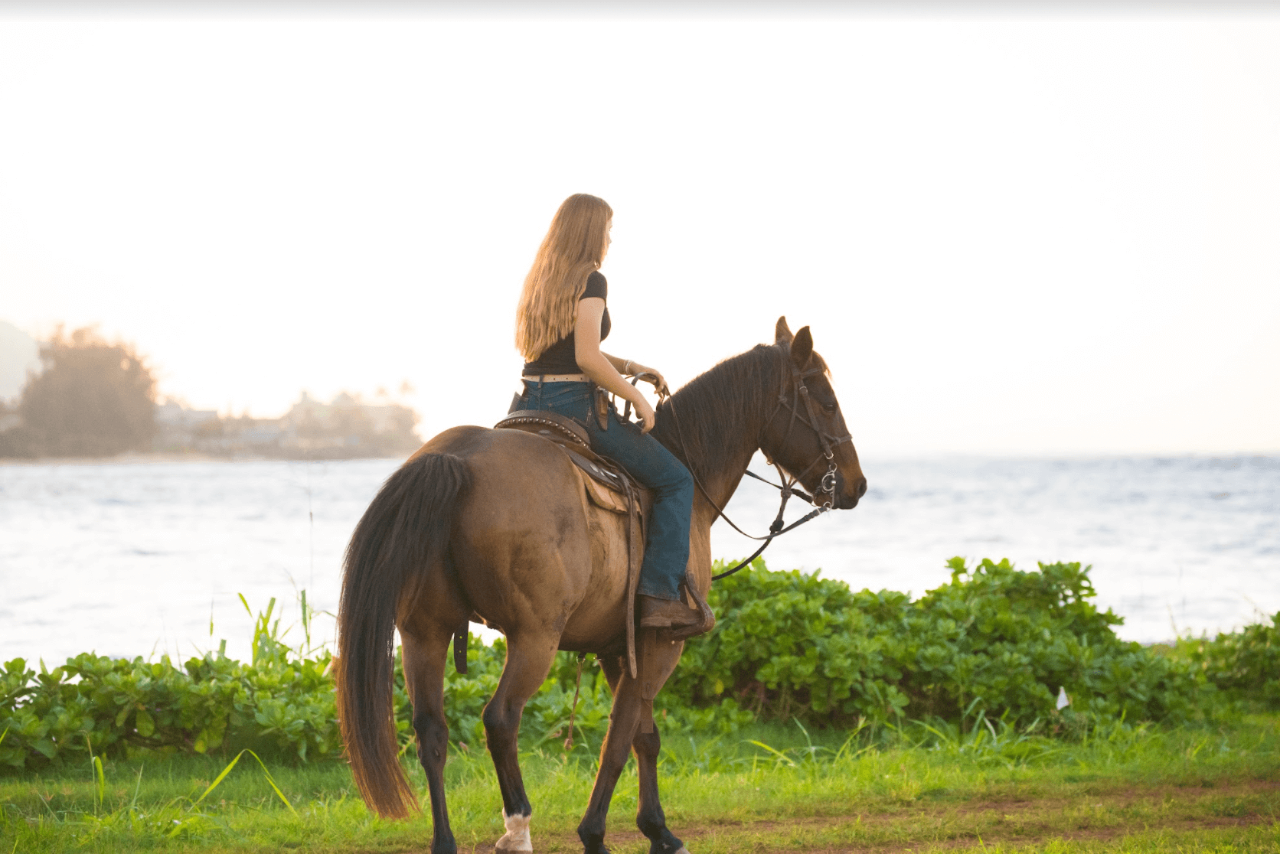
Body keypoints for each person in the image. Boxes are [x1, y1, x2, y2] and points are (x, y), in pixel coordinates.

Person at [512, 193, 703, 639]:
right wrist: (636, 399)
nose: (611, 238)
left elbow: (562, 350)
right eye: (608, 229)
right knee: (676, 481)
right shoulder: (591, 280)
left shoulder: (540, 279)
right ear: (591, 230)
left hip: (525, 403)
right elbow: (585, 358)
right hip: (572, 406)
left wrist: (632, 368)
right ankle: (659, 597)